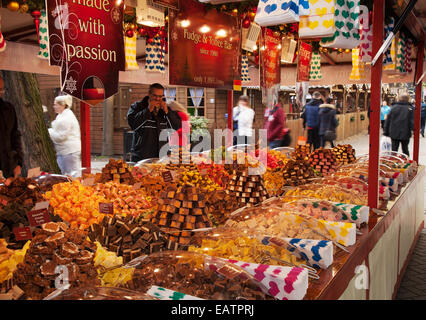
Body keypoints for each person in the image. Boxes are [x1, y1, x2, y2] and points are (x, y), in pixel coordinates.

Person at [127, 83, 182, 161]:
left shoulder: (166, 109)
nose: (158, 99)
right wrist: (148, 110)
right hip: (141, 156)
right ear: (149, 94)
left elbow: (176, 127)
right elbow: (133, 125)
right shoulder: (137, 107)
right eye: (155, 96)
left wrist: (167, 112)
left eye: (160, 96)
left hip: (161, 156)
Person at [48, 95, 81, 176]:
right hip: (66, 151)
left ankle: (76, 188)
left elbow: (61, 137)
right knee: (68, 174)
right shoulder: (62, 116)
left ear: (63, 105)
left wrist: (49, 131)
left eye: (56, 104)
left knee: (72, 175)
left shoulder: (66, 118)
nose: (54, 106)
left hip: (69, 151)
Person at [0, 76, 23, 179]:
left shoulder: (8, 109)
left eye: (1, 89)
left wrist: (19, 162)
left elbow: (15, 136)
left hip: (8, 168)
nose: (0, 93)